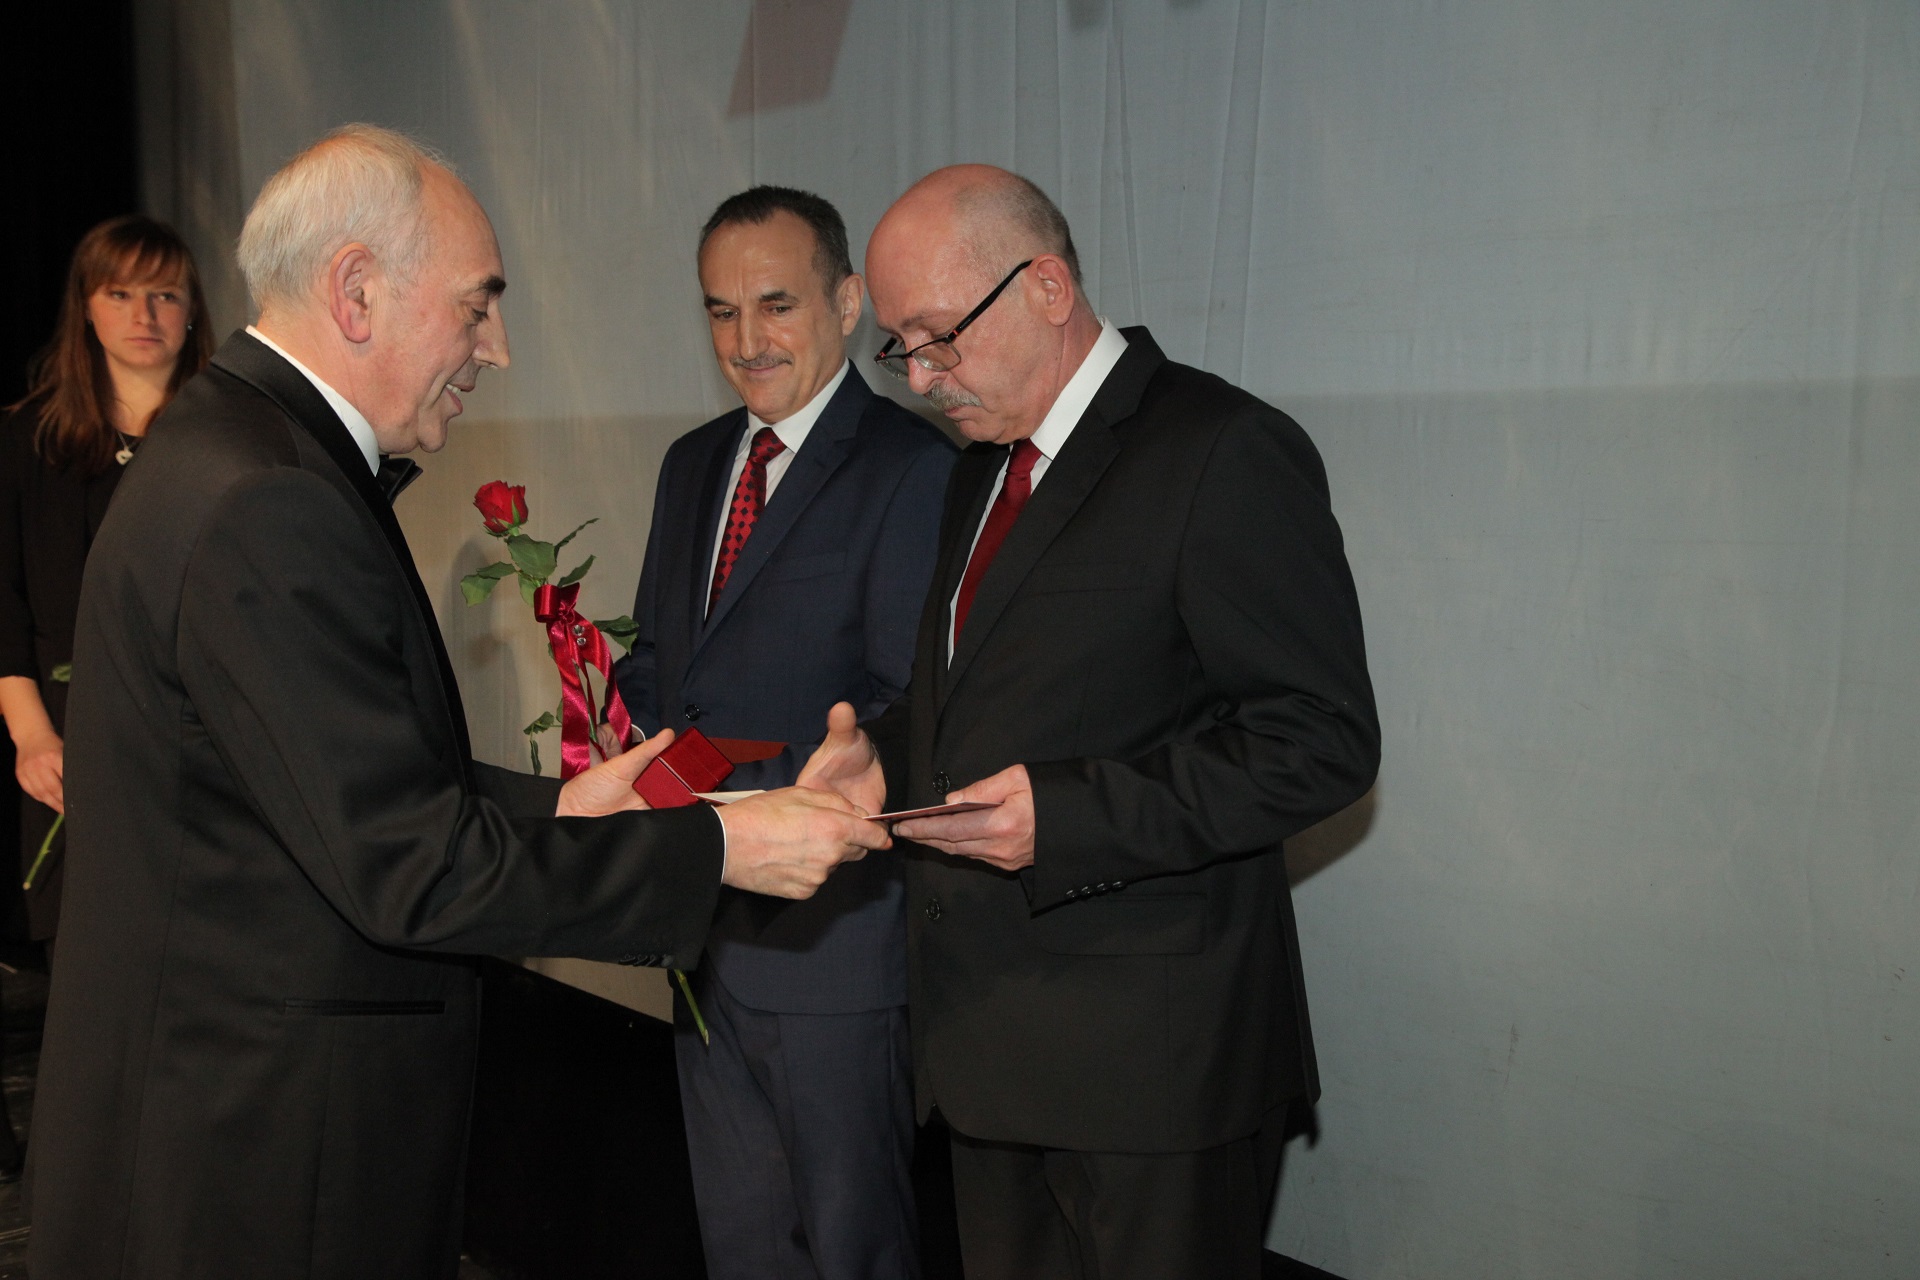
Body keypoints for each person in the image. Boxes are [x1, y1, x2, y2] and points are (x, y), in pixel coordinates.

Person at [26, 124, 890, 1280]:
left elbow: (329, 779)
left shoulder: (236, 448)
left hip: (238, 1135)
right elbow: (411, 863)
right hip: (259, 1163)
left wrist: (562, 808)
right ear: (355, 292)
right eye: (478, 304)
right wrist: (723, 844)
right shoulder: (267, 498)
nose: (500, 346)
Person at [844, 165, 1381, 1278]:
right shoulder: (978, 474)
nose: (925, 376)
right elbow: (986, 700)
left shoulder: (1220, 447)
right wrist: (879, 760)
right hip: (988, 1047)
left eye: (939, 336)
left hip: (1154, 1072)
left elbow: (1319, 739)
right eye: (901, 348)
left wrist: (1070, 818)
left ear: (1046, 286)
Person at [611, 186, 953, 1279]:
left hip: (834, 951)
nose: (745, 340)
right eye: (720, 311)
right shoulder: (692, 463)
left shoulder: (913, 467)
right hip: (701, 929)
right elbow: (666, 671)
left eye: (775, 304)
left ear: (847, 303)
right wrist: (608, 727)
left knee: (856, 1251)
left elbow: (913, 706)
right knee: (744, 1247)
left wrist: (739, 798)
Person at [0, 215, 214, 1183]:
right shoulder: (29, 438)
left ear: (193, 310)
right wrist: (32, 737)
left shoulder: (225, 434)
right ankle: (91, 1186)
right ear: (85, 308)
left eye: (165, 293)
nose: (145, 314)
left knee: (194, 975)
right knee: (88, 984)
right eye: (121, 292)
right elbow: (4, 602)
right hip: (64, 746)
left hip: (196, 743)